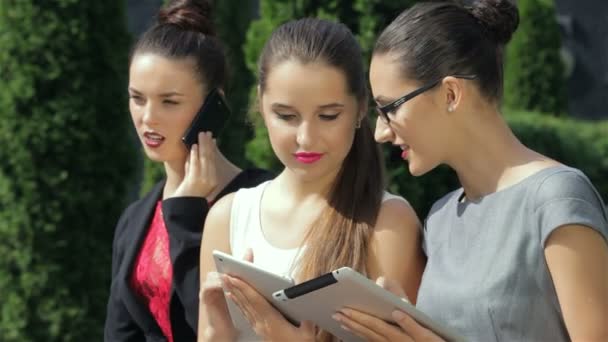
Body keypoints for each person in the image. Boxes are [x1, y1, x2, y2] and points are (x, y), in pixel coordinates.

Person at [332, 1, 608, 341]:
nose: (380, 132)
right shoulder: (440, 219)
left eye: (389, 109)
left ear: (450, 93)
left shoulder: (556, 199)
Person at [197, 18, 425, 342]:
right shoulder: (227, 217)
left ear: (360, 108)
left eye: (328, 116)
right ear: (260, 104)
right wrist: (216, 330)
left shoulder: (388, 224)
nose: (306, 138)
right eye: (286, 116)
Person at [104, 0, 273, 340]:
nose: (148, 118)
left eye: (169, 101)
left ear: (213, 104)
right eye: (137, 98)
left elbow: (217, 326)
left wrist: (184, 215)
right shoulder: (135, 219)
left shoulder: (258, 202)